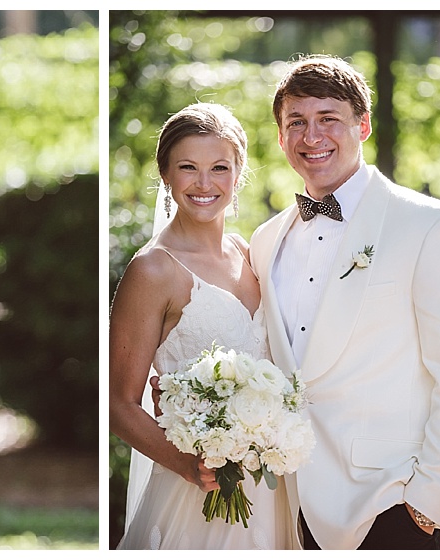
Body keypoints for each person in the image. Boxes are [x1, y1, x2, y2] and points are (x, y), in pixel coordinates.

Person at [249, 54, 440, 550]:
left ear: (363, 125)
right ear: (281, 136)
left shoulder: (432, 225)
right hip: (293, 503)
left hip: (395, 502)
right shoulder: (265, 240)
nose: (311, 137)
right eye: (296, 123)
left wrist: (435, 501)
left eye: (328, 119)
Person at [110, 102, 299, 549]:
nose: (204, 183)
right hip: (196, 493)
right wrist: (189, 464)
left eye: (219, 168)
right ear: (166, 175)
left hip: (274, 491)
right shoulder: (154, 271)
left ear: (238, 175)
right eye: (188, 168)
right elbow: (118, 403)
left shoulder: (249, 252)